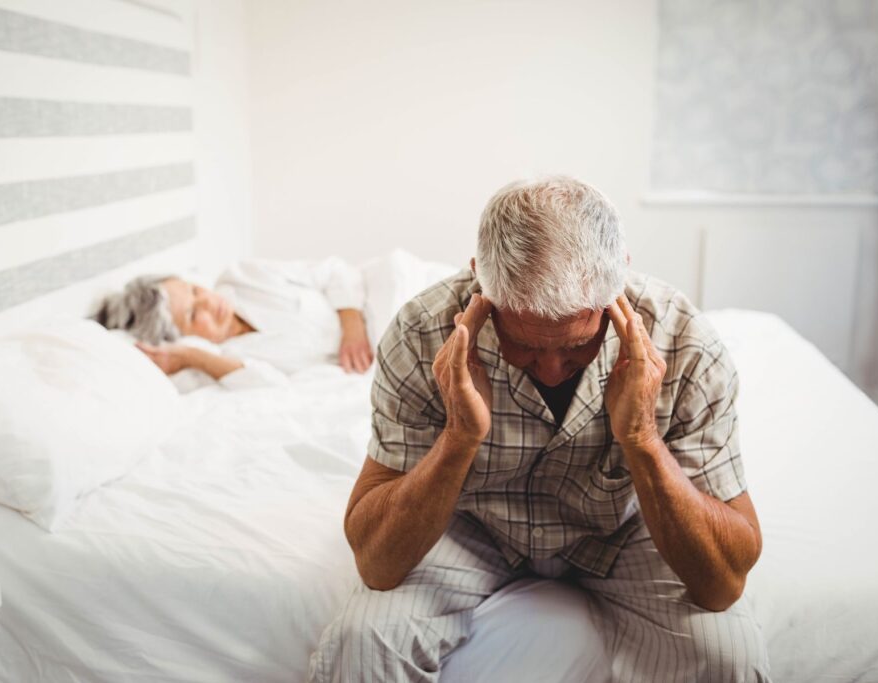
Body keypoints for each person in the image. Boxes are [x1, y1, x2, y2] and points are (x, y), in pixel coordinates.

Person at [308, 177, 769, 682]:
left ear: (619, 282)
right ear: (479, 282)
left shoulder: (686, 344)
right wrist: (459, 438)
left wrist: (641, 439)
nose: (551, 369)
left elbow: (723, 585)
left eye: (575, 347)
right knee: (362, 641)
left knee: (730, 657)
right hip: (473, 524)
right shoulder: (421, 333)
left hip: (627, 528)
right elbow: (376, 565)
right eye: (523, 344)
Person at [95, 257, 375, 385]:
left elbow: (334, 271)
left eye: (194, 290)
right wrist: (193, 357)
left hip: (378, 301)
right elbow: (269, 384)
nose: (206, 300)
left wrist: (352, 324)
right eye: (193, 314)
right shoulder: (227, 358)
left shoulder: (242, 276)